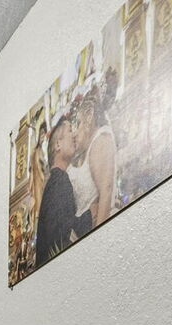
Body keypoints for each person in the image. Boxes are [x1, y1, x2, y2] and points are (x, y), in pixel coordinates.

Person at [67, 86, 118, 230]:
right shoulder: (87, 148)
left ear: (89, 116)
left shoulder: (100, 140)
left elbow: (106, 193)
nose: (74, 133)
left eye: (78, 123)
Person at [32, 115, 79, 267]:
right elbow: (60, 238)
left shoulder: (55, 181)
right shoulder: (59, 181)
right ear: (58, 144)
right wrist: (91, 214)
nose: (75, 134)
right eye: (70, 130)